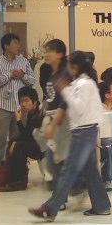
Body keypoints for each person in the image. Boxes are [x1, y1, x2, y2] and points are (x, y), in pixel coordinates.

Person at [29, 51, 110, 221]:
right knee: (90, 171)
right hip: (86, 129)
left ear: (75, 66)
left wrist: (65, 90)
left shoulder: (83, 84)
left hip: (83, 131)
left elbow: (78, 109)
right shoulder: (85, 82)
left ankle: (50, 209)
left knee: (69, 171)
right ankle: (102, 205)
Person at [0, 34, 35, 177]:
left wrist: (22, 76)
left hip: (20, 107)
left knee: (18, 137)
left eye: (18, 42)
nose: (18, 45)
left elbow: (32, 80)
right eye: (15, 43)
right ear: (6, 46)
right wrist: (9, 74)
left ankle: (15, 164)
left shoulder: (23, 61)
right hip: (3, 105)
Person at [0, 87, 45, 192]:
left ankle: (17, 182)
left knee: (19, 146)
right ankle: (14, 178)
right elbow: (26, 135)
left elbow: (28, 136)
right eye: (21, 101)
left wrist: (18, 120)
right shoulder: (31, 112)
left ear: (34, 101)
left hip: (43, 149)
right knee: (14, 142)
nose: (23, 104)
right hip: (37, 145)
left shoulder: (38, 114)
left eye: (26, 101)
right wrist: (14, 142)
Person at [41, 39, 72, 193]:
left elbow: (65, 102)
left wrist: (54, 125)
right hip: (52, 117)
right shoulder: (51, 73)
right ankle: (63, 194)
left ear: (59, 54)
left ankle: (63, 194)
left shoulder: (64, 74)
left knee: (56, 160)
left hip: (61, 120)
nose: (46, 55)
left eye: (49, 51)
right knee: (53, 160)